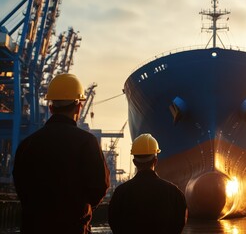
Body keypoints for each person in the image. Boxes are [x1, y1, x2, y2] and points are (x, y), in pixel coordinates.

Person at [12, 74, 110, 233]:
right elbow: (99, 187)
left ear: (50, 108)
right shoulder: (87, 143)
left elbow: (20, 187)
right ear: (79, 106)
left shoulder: (27, 145)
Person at [108, 133, 188, 234]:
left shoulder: (120, 193)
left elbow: (114, 223)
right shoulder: (174, 193)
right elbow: (180, 223)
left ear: (134, 162)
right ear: (155, 161)